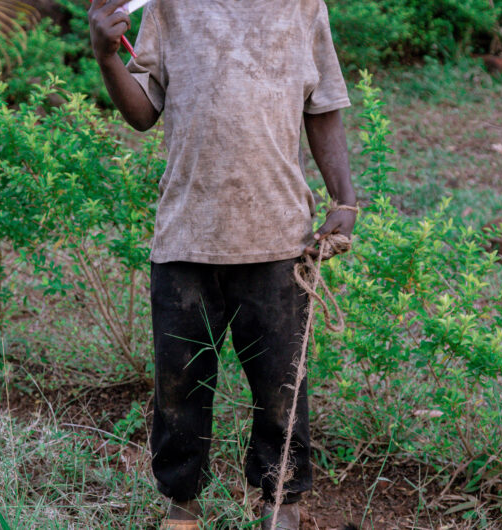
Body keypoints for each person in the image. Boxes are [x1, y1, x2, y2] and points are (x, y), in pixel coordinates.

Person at [88, 1, 356, 528]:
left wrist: (343, 200)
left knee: (282, 391)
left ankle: (281, 506)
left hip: (278, 238)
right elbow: (143, 112)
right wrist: (104, 56)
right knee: (178, 390)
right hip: (187, 237)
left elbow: (322, 105)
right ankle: (181, 506)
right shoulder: (167, 7)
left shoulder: (303, 7)